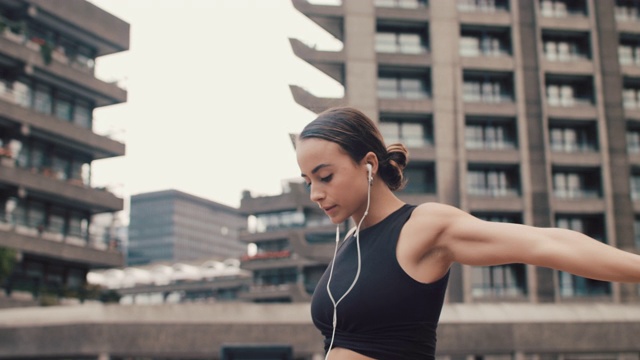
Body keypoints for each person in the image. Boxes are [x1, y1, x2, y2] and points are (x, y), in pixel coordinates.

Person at [295, 106, 640, 360]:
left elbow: (545, 242)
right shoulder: (349, 245)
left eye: (325, 177)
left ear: (369, 164)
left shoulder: (423, 226)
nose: (315, 194)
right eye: (308, 181)